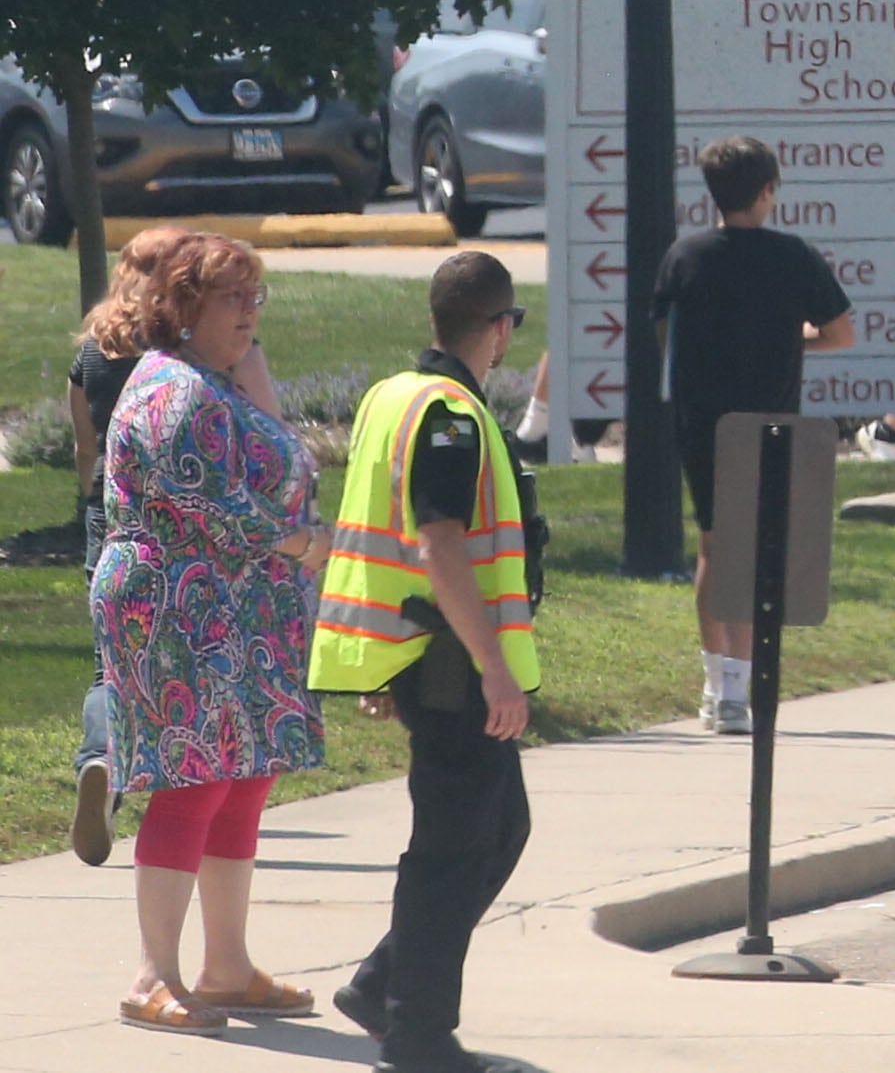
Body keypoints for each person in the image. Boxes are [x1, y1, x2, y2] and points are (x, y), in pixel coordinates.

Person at [86, 233, 325, 1034]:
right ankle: (154, 976)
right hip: (172, 604)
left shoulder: (214, 379)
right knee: (193, 778)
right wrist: (295, 542)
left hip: (231, 605)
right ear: (184, 306)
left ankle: (227, 966)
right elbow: (202, 499)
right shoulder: (171, 388)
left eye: (256, 297)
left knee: (244, 775)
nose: (249, 313)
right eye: (233, 297)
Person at [313, 252, 542, 1073]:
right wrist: (493, 667)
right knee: (452, 842)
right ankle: (417, 1032)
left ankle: (384, 985)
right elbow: (437, 542)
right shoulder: (450, 413)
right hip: (450, 661)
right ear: (499, 329)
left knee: (498, 828)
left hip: (419, 655)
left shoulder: (389, 397)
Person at [655, 133, 854, 734]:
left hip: (705, 423)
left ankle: (720, 688)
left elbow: (665, 334)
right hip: (772, 423)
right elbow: (841, 333)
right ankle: (743, 683)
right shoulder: (794, 257)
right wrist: (789, 337)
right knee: (757, 553)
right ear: (768, 191)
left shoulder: (685, 257)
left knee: (714, 548)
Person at [65, 227, 191, 869]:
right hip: (173, 528)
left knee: (107, 666)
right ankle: (176, 784)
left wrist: (90, 503)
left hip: (107, 524)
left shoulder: (93, 351)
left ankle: (101, 760)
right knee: (179, 659)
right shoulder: (178, 349)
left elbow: (85, 447)